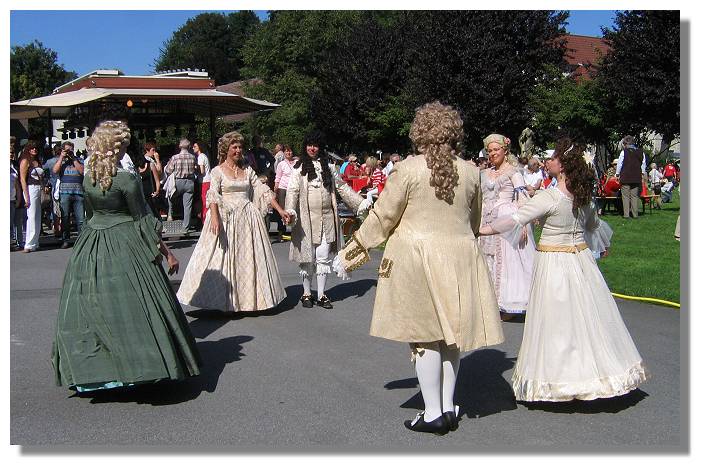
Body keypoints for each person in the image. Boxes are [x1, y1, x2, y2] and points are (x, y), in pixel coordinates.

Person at [334, 102, 503, 435]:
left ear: (420, 131)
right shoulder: (470, 171)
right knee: (451, 338)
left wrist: (352, 251)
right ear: (453, 132)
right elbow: (473, 221)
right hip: (459, 256)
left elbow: (384, 216)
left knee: (425, 336)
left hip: (417, 258)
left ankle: (432, 413)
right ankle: (448, 407)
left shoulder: (407, 169)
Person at [479, 136, 648, 402]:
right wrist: (600, 246)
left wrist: (481, 229)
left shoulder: (550, 197)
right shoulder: (582, 196)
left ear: (564, 164)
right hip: (580, 260)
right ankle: (591, 372)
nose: (548, 161)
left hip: (554, 262)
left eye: (553, 158)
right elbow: (593, 226)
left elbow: (515, 219)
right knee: (585, 318)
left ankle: (560, 379)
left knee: (556, 321)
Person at [51, 120, 201, 393]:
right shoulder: (126, 179)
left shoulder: (89, 178)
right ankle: (146, 366)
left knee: (93, 307)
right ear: (117, 147)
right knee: (137, 308)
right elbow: (142, 220)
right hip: (125, 243)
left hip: (91, 245)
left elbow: (89, 216)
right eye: (124, 145)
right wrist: (166, 253)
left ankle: (98, 371)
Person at [176, 131, 289, 312]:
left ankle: (247, 301)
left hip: (247, 218)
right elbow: (212, 195)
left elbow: (261, 189)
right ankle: (223, 301)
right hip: (226, 217)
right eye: (234, 147)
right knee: (221, 257)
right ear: (226, 149)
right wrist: (214, 217)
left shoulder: (247, 170)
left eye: (240, 147)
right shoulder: (217, 171)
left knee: (247, 260)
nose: (238, 150)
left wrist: (280, 210)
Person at [284, 130, 370, 309]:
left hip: (327, 219)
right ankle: (307, 293)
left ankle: (322, 294)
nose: (312, 148)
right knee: (308, 258)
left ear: (320, 147)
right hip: (306, 221)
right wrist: (290, 210)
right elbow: (292, 191)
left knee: (323, 257)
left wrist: (360, 203)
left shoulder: (329, 168)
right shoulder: (298, 169)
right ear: (305, 146)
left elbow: (342, 188)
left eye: (315, 145)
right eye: (309, 144)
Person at [479, 133, 535, 321]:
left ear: (505, 150)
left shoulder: (513, 172)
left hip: (505, 219)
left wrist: (523, 222)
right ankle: (491, 301)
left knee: (506, 262)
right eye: (490, 150)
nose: (493, 153)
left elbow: (522, 198)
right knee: (487, 259)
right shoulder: (485, 173)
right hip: (486, 218)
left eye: (496, 150)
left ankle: (508, 303)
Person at [52, 141, 85, 249]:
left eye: (71, 149)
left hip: (78, 193)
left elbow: (82, 172)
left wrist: (74, 159)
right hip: (64, 193)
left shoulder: (79, 160)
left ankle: (81, 241)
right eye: (67, 150)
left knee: (80, 219)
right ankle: (65, 239)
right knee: (65, 218)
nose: (69, 152)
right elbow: (54, 171)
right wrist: (62, 157)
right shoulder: (61, 162)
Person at [164, 138, 197, 232]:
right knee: (187, 206)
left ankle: (170, 213)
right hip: (190, 182)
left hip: (178, 181)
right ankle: (185, 228)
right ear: (189, 146)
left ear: (179, 146)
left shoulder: (175, 157)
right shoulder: (193, 157)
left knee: (170, 195)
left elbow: (168, 170)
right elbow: (195, 168)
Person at [18, 140, 44, 253]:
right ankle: (28, 244)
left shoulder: (37, 161)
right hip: (31, 188)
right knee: (32, 216)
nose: (34, 150)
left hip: (39, 188)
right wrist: (26, 196)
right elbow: (22, 179)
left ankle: (35, 242)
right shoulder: (25, 161)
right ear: (28, 149)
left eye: (36, 148)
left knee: (38, 216)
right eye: (32, 148)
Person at [615, 135, 647, 219]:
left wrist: (617, 174)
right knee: (634, 196)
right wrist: (642, 173)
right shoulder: (641, 152)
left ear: (625, 143)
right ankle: (635, 214)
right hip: (636, 177)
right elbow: (643, 164)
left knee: (625, 196)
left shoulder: (623, 152)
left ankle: (626, 214)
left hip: (625, 176)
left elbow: (620, 164)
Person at [273, 145, 298, 242]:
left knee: (294, 210)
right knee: (282, 210)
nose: (289, 153)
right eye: (287, 151)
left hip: (294, 188)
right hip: (283, 188)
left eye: (290, 151)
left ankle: (295, 232)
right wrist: (276, 190)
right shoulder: (281, 164)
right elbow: (278, 178)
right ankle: (281, 233)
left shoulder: (297, 163)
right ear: (284, 153)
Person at [135, 142, 162, 217]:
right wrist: (157, 159)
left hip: (149, 193)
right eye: (153, 150)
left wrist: (157, 191)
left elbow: (158, 175)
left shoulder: (150, 163)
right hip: (142, 193)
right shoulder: (136, 167)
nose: (154, 152)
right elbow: (159, 171)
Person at [193, 141, 211, 223]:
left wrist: (195, 167)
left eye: (195, 146)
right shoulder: (204, 156)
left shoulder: (200, 157)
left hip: (204, 181)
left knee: (204, 201)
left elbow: (202, 171)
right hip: (207, 180)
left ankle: (205, 221)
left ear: (199, 147)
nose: (193, 148)